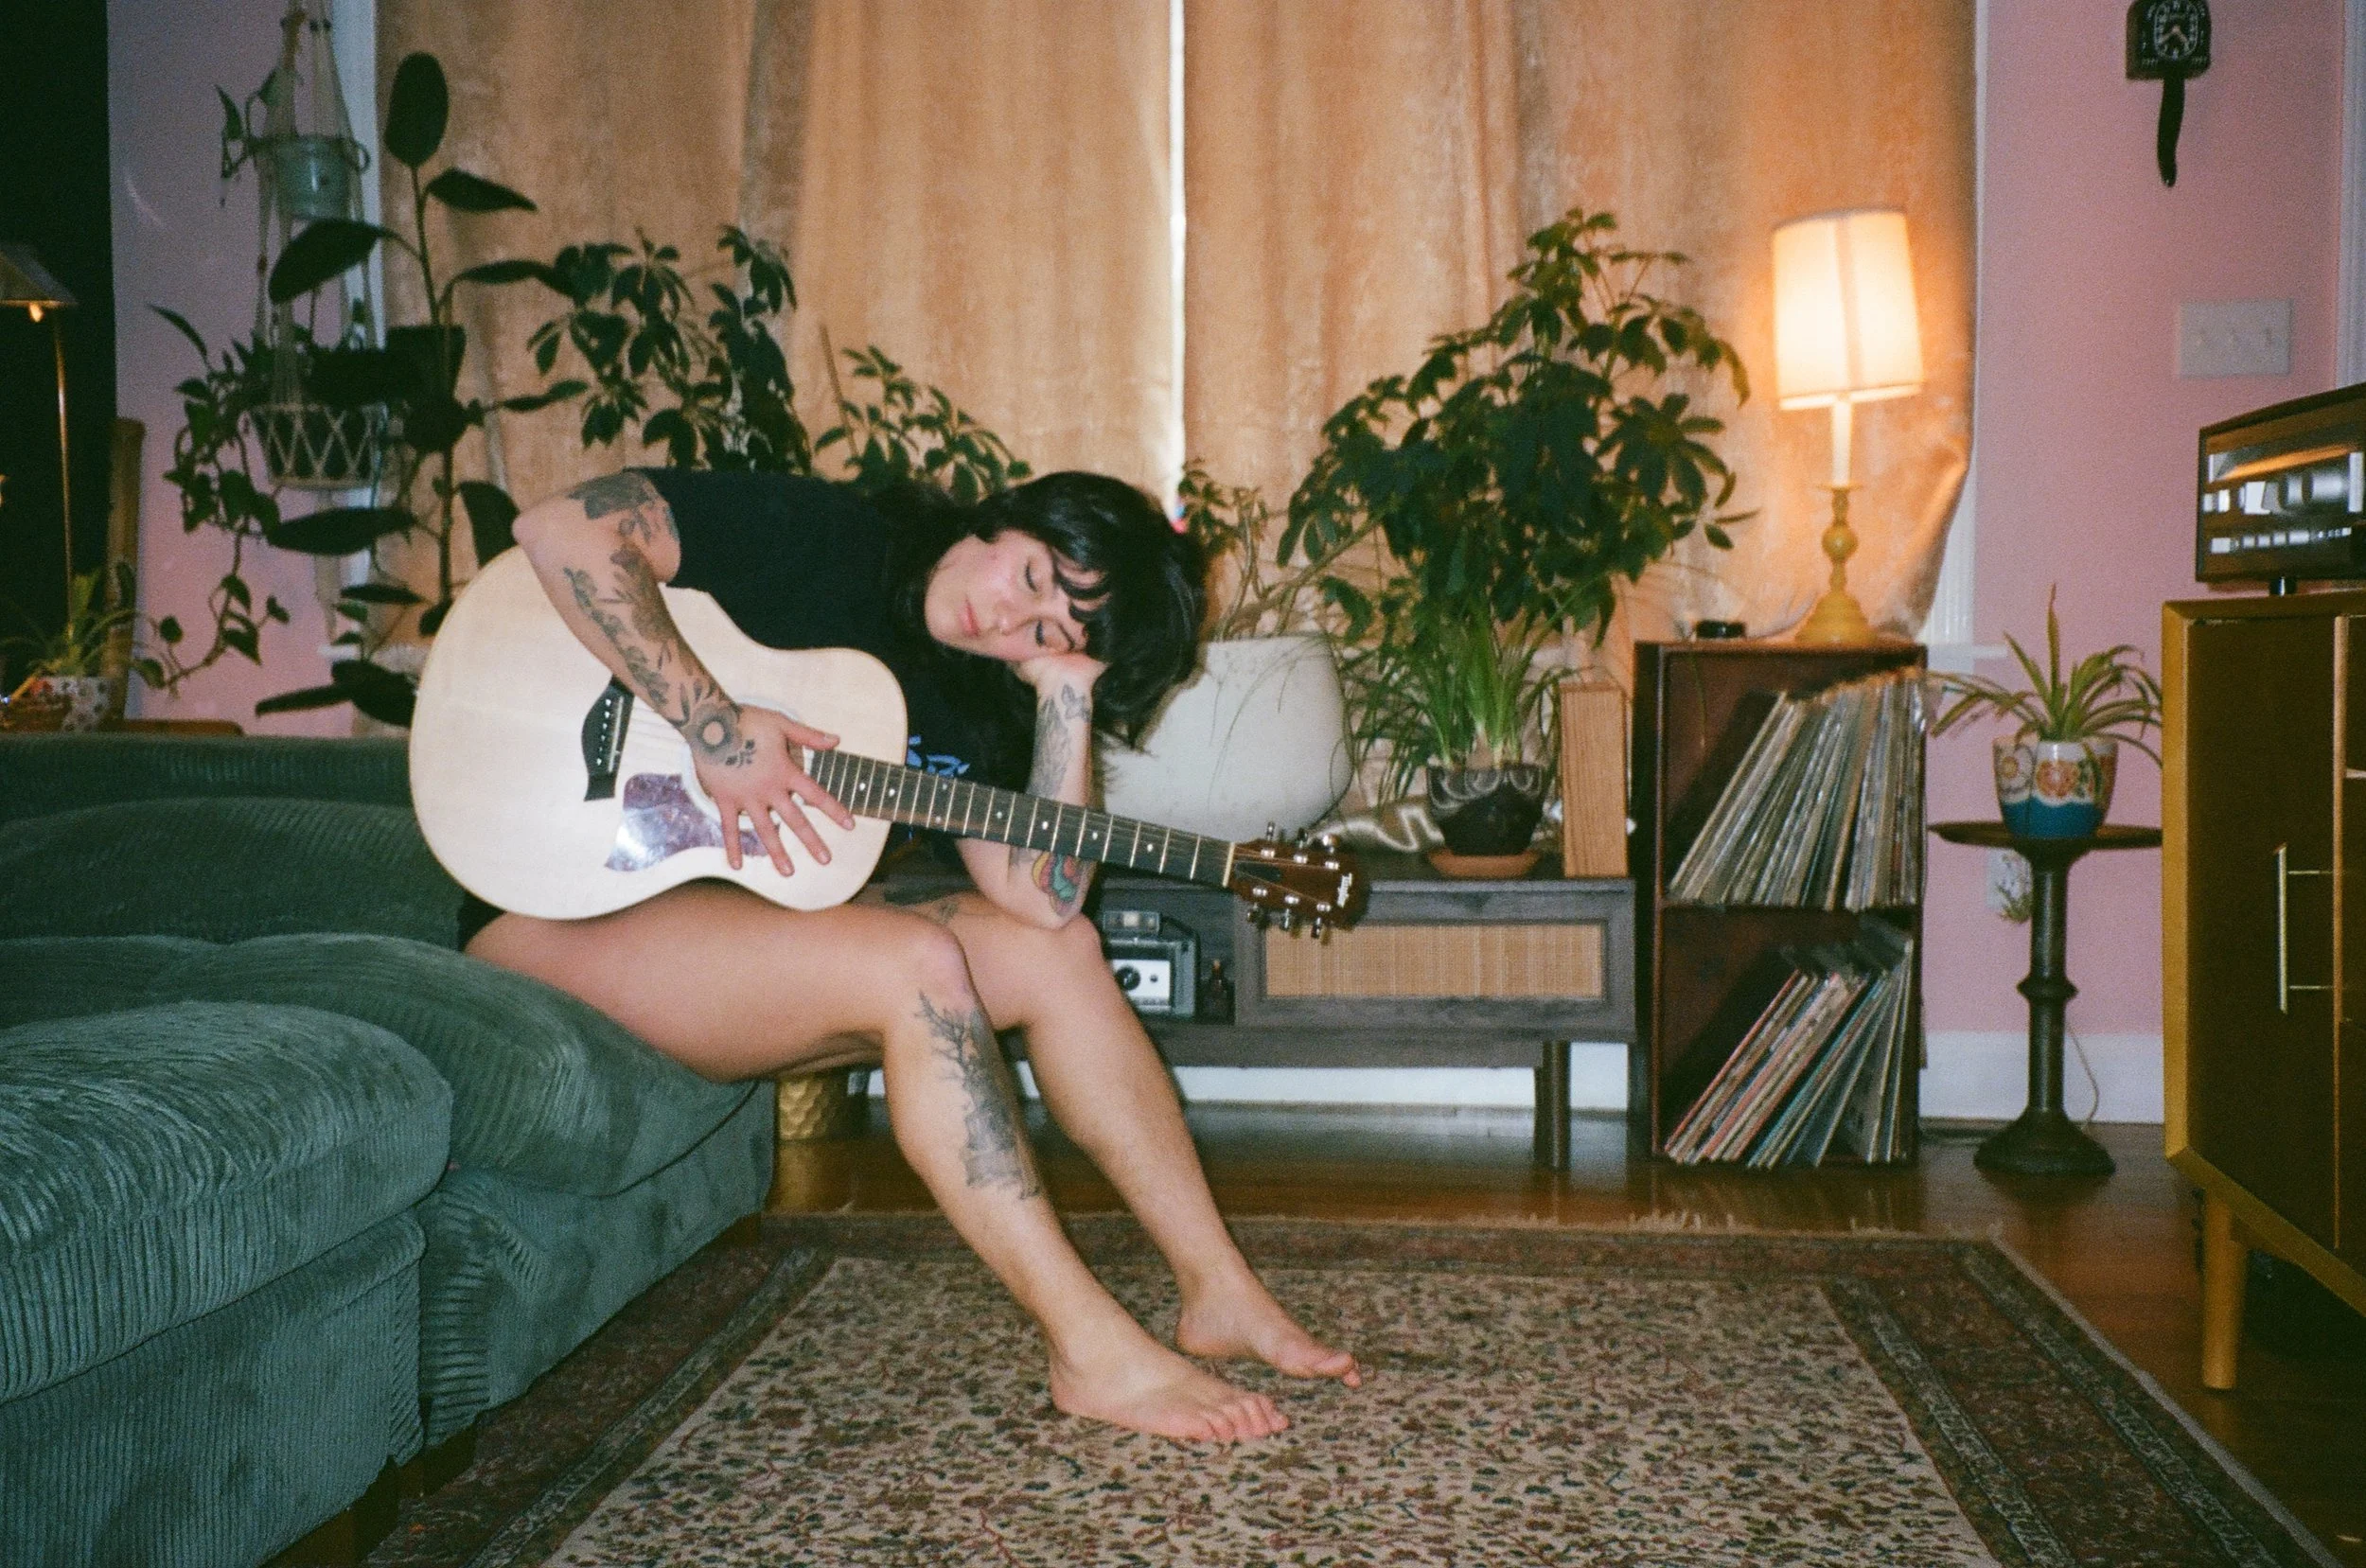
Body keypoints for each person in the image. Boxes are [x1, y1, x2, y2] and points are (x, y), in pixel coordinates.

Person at [464, 466, 1362, 1444]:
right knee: (914, 966)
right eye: (1028, 576)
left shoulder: (981, 694)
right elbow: (560, 527)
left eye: (1044, 631)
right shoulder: (827, 533)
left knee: (1061, 955)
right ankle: (1088, 1347)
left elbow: (1042, 898)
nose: (1000, 621)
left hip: (726, 934)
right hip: (557, 904)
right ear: (1001, 519)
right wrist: (711, 725)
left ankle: (1218, 1290)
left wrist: (1065, 697)